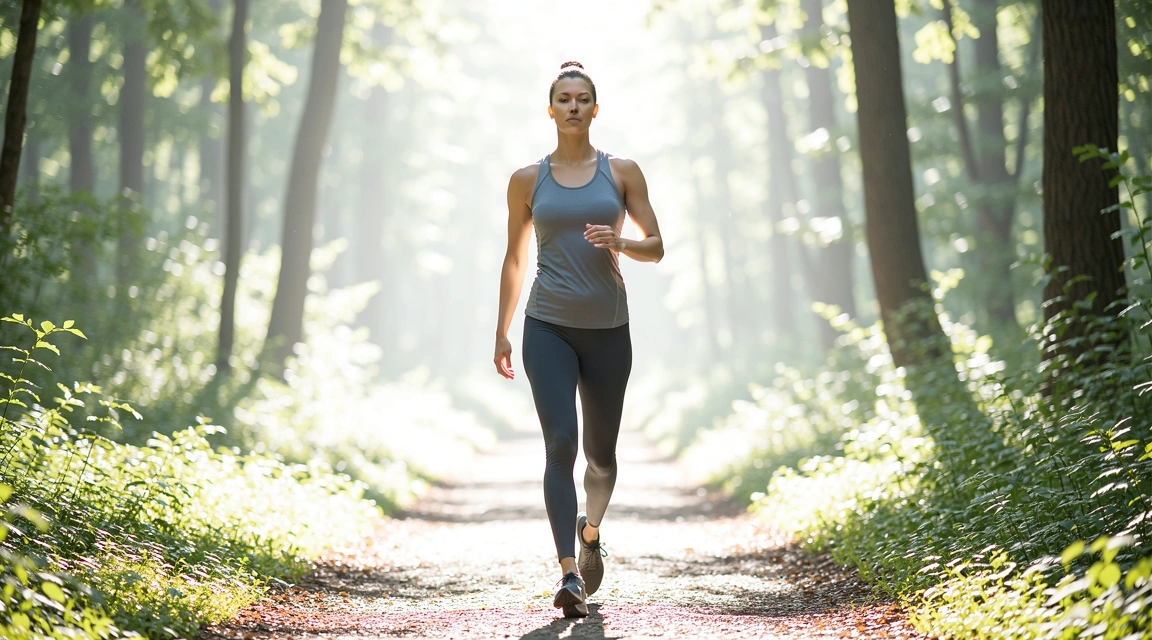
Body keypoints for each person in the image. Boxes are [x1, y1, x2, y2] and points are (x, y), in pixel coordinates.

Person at [493, 61, 664, 618]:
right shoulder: (526, 179)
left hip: (609, 330)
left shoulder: (622, 172)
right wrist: (502, 329)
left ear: (595, 108)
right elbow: (516, 257)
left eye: (581, 98)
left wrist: (620, 241)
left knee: (602, 460)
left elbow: (656, 245)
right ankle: (568, 574)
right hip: (547, 326)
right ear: (550, 110)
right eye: (562, 98)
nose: (572, 106)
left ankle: (590, 532)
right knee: (559, 445)